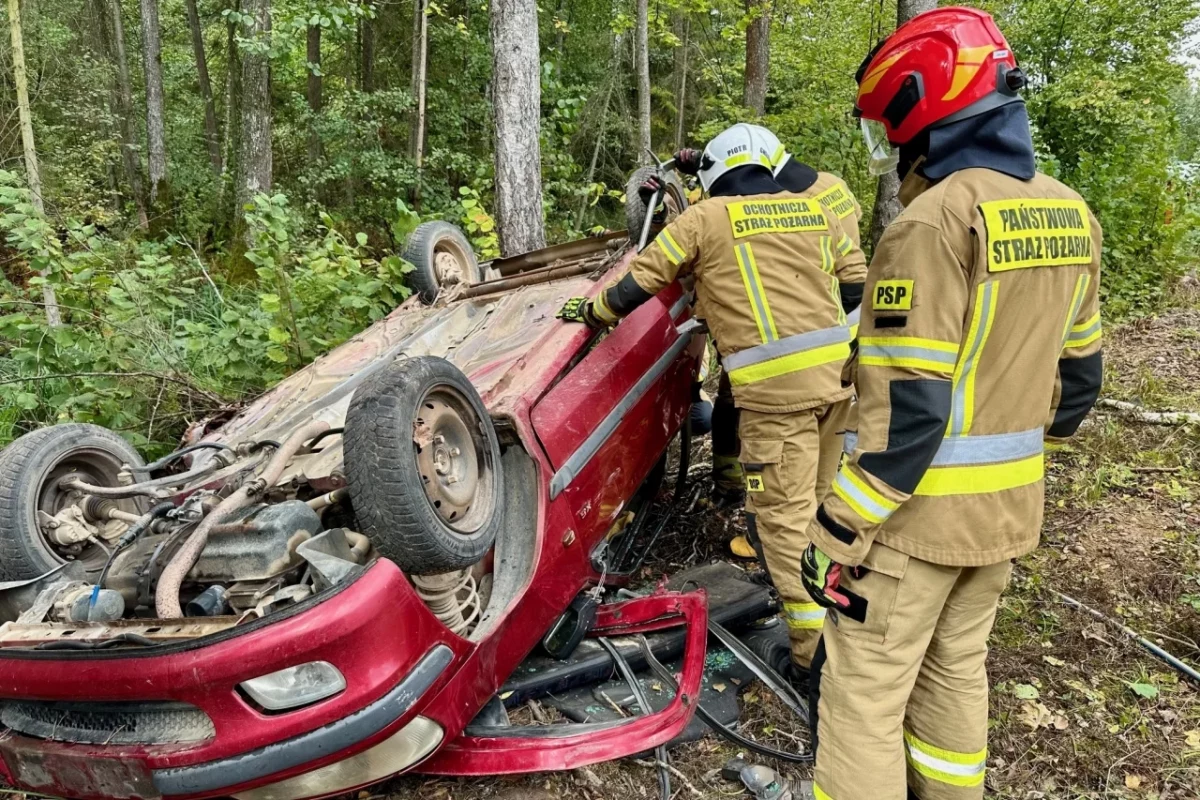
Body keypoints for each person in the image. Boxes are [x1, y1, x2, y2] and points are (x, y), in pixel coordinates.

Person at [798, 8, 1103, 799]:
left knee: (862, 696)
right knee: (957, 673)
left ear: (922, 108)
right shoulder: (1071, 212)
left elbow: (914, 413)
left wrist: (838, 527)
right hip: (1005, 517)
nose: (892, 146)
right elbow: (1080, 386)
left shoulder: (930, 224)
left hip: (911, 527)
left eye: (890, 126)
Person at [559, 123, 866, 673]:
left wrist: (591, 312)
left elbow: (643, 279)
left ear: (716, 173)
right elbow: (855, 283)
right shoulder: (815, 208)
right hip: (838, 388)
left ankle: (811, 656)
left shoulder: (703, 218)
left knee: (783, 521)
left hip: (776, 402)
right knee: (820, 504)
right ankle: (844, 619)